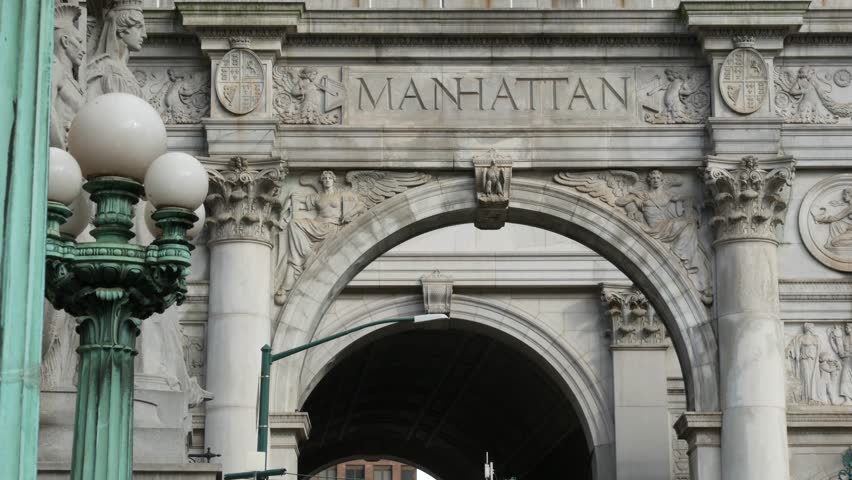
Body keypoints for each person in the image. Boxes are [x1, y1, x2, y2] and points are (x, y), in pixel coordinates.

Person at [278, 171, 364, 295]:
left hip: (332, 226)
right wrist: (283, 214)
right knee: (294, 224)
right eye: (325, 178)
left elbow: (360, 204)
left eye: (330, 178)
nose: (327, 180)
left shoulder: (341, 195)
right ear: (322, 181)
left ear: (334, 180)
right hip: (317, 224)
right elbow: (295, 199)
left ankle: (304, 259)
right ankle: (307, 253)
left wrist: (349, 214)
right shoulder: (318, 196)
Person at [87, 0, 146, 98]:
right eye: (138, 27)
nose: (144, 34)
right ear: (121, 30)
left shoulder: (127, 74)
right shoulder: (101, 69)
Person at [50, 0, 86, 149]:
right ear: (65, 41)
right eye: (78, 41)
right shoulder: (54, 67)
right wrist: (59, 146)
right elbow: (47, 108)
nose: (83, 50)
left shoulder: (73, 80)